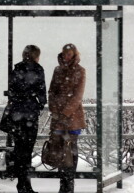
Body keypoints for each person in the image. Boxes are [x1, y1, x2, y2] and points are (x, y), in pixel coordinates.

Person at [4, 45, 47, 193]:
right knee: (27, 150)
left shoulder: (17, 69)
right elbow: (42, 94)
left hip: (17, 116)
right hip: (30, 115)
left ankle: (21, 182)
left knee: (19, 148)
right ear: (36, 56)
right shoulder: (38, 70)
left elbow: (11, 91)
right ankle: (25, 184)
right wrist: (38, 104)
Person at [48, 43, 86, 193]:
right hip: (58, 118)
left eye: (69, 54)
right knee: (58, 150)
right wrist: (55, 109)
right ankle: (63, 184)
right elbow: (51, 91)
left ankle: (69, 184)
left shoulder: (80, 71)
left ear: (75, 54)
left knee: (71, 150)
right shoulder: (57, 70)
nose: (66, 56)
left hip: (73, 118)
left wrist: (65, 113)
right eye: (65, 53)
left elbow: (78, 95)